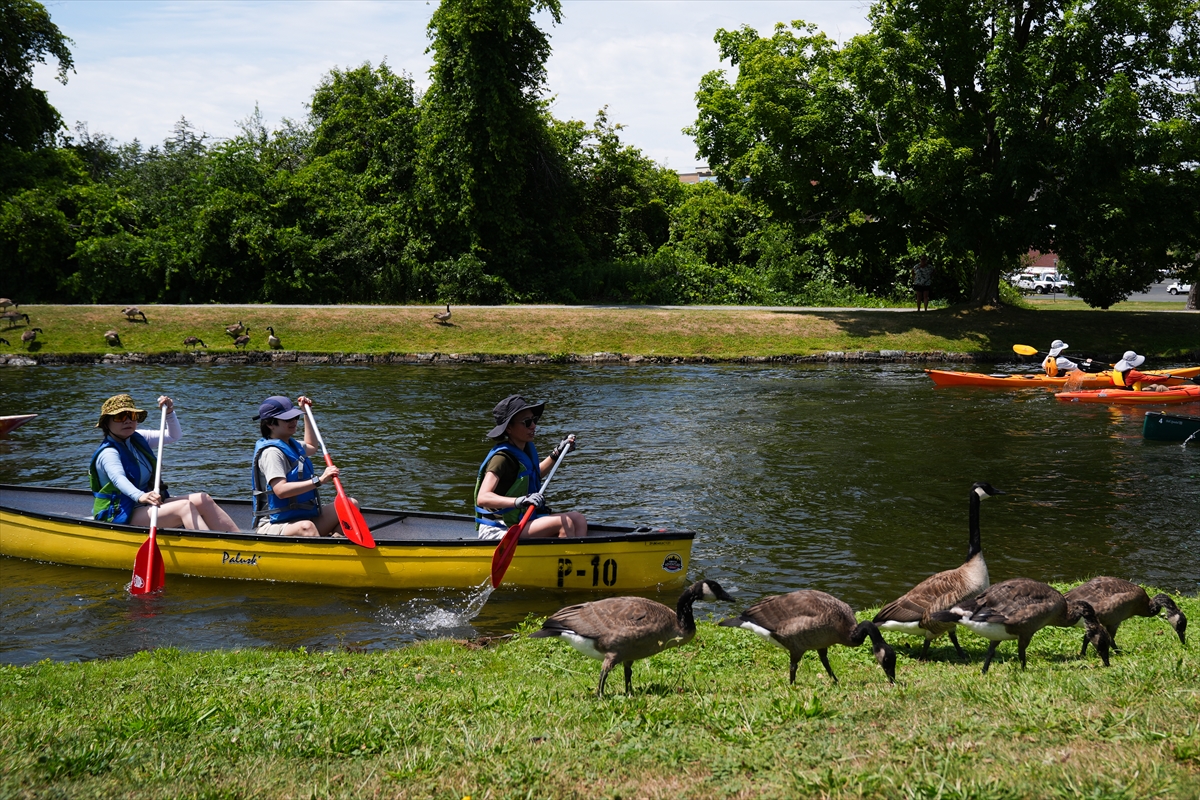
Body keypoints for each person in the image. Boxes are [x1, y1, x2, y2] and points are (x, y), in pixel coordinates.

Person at [90, 394, 239, 531]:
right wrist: (140, 496)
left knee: (203, 499)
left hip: (145, 504)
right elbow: (118, 478)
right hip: (119, 512)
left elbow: (173, 435)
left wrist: (169, 414)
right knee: (184, 507)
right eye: (120, 417)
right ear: (106, 423)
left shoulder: (138, 438)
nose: (128, 420)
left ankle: (240, 544)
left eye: (132, 415)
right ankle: (211, 552)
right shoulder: (108, 453)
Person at [474, 395, 587, 539]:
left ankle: (578, 559)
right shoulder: (501, 458)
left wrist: (556, 453)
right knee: (564, 523)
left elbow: (533, 475)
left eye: (534, 420)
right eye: (527, 422)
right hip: (500, 527)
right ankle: (562, 561)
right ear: (509, 428)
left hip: (521, 521)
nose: (533, 426)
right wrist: (520, 501)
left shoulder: (524, 450)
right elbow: (483, 497)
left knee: (578, 519)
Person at [251, 395, 357, 537]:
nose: (294, 421)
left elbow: (312, 446)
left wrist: (307, 413)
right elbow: (281, 490)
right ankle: (324, 552)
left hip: (302, 519)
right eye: (288, 419)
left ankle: (335, 542)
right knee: (307, 527)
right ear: (270, 424)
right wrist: (319, 480)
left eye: (296, 417)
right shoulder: (272, 453)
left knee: (350, 505)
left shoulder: (292, 445)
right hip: (273, 525)